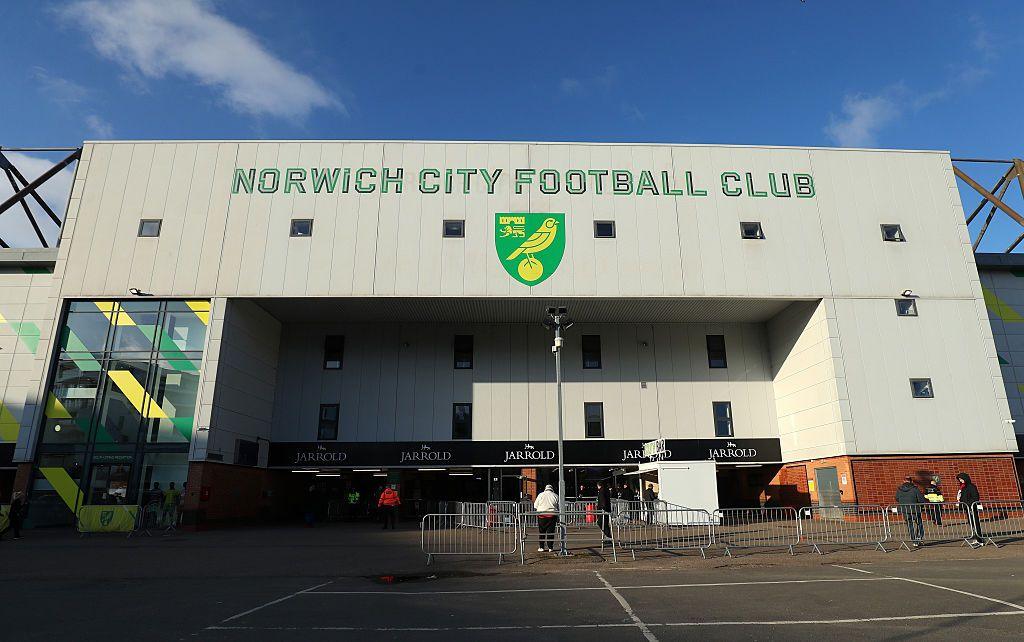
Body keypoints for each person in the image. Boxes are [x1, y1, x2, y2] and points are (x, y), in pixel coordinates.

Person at [895, 476, 926, 546]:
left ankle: (914, 540)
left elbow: (897, 498)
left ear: (903, 481)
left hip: (905, 509)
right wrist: (922, 506)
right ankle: (919, 538)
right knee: (919, 524)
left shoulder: (899, 489)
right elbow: (921, 499)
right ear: (911, 481)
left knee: (909, 525)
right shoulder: (915, 489)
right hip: (915, 509)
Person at [956, 472, 982, 545]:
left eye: (961, 479)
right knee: (971, 523)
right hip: (966, 507)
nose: (960, 481)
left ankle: (979, 539)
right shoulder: (962, 487)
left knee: (975, 523)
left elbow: (975, 497)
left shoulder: (971, 486)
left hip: (971, 507)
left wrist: (968, 503)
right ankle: (976, 537)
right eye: (959, 479)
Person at [534, 483, 559, 552]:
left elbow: (535, 506)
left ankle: (541, 547)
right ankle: (550, 547)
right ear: (552, 489)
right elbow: (559, 506)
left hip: (541, 516)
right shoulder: (555, 495)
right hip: (552, 516)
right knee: (550, 532)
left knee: (542, 532)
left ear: (545, 489)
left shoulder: (540, 495)